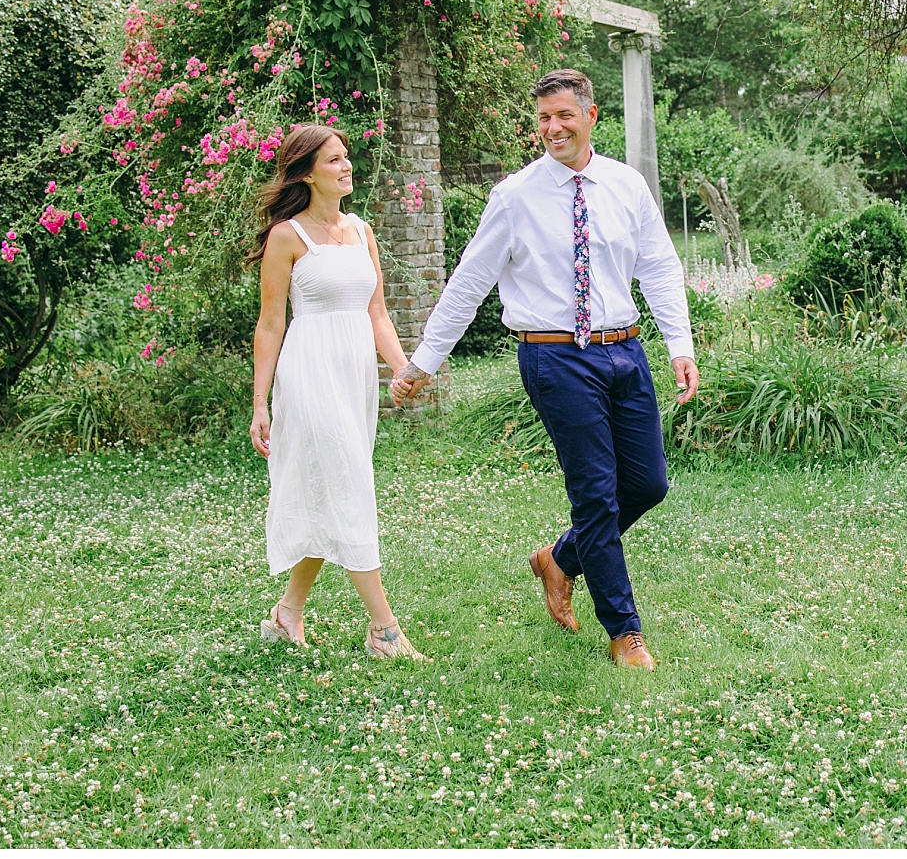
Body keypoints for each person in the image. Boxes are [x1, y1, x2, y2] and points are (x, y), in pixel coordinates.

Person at [392, 69, 698, 670]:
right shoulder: (514, 196)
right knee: (595, 493)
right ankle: (624, 631)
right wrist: (425, 360)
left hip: (624, 349)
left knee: (648, 484)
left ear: (591, 116)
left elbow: (659, 267)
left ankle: (559, 559)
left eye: (563, 116)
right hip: (554, 354)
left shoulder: (627, 186)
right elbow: (469, 282)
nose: (552, 129)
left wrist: (678, 344)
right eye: (542, 119)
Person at [248, 123, 426, 661]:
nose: (346, 166)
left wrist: (402, 370)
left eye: (347, 157)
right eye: (333, 161)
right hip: (308, 375)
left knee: (333, 492)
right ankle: (384, 631)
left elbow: (376, 311)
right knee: (349, 483)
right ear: (306, 172)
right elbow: (270, 325)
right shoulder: (287, 236)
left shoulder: (361, 230)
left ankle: (287, 613)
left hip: (354, 379)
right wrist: (260, 403)